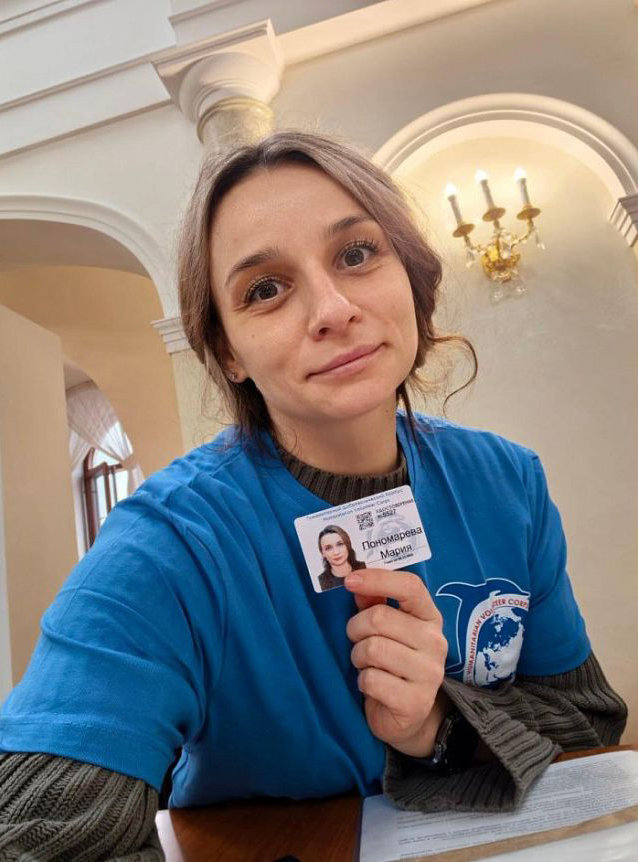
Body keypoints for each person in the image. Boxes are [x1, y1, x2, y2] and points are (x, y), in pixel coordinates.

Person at [0, 130, 627, 860]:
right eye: (265, 290)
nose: (332, 308)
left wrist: (437, 726)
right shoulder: (170, 542)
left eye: (356, 254)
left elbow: (590, 723)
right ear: (228, 351)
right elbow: (31, 836)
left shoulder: (509, 482)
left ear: (411, 275)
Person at [317, 525, 367, 591]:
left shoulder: (364, 567)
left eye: (340, 544)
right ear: (323, 553)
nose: (336, 552)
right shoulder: (321, 581)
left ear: (347, 545)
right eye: (328, 548)